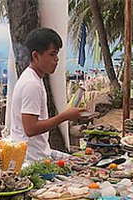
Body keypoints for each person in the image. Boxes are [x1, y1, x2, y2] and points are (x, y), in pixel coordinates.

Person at [9, 28, 84, 163]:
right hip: (30, 159)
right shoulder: (32, 84)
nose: (56, 59)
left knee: (79, 161)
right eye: (52, 54)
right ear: (36, 56)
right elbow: (30, 128)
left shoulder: (33, 78)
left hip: (36, 152)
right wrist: (65, 116)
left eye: (57, 54)